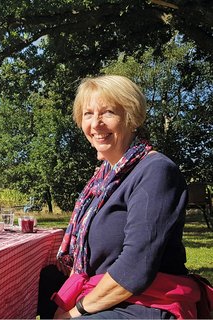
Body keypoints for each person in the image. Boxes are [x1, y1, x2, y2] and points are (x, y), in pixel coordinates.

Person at [40, 75, 202, 319]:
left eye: (108, 113)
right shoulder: (104, 180)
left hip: (146, 301)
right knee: (35, 282)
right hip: (103, 291)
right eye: (88, 114)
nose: (95, 124)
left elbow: (135, 267)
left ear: (131, 118)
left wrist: (76, 311)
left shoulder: (155, 171)